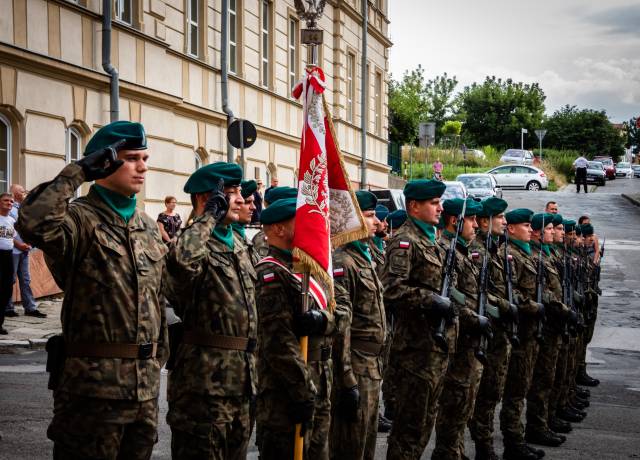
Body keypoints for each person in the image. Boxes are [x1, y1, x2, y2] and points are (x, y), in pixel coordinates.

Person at [17, 120, 169, 459]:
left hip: (143, 394)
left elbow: (156, 298)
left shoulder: (146, 226)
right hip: (92, 395)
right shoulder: (78, 220)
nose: (142, 166)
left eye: (145, 157)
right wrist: (77, 173)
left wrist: (157, 359)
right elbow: (33, 222)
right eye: (132, 158)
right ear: (105, 161)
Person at [164, 162, 257, 459]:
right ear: (208, 200)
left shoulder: (239, 244)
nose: (241, 200)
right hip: (204, 389)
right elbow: (181, 264)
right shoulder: (191, 244)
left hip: (242, 385)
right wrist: (206, 218)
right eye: (232, 193)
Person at [254, 197, 336, 459]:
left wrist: (322, 320)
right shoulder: (271, 272)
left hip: (319, 382)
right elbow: (279, 344)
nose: (310, 225)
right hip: (287, 394)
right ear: (279, 229)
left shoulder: (308, 267)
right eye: (300, 220)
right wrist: (303, 392)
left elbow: (339, 313)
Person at [381, 179, 456, 460]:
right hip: (414, 353)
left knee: (424, 425)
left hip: (433, 350)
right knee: (408, 430)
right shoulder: (405, 241)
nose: (440, 208)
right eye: (433, 203)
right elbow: (390, 289)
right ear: (414, 206)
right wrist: (431, 300)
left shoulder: (430, 240)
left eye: (439, 203)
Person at [330, 191, 386, 460]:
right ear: (352, 220)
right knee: (351, 444)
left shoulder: (366, 255)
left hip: (372, 364)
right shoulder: (343, 261)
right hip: (356, 363)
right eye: (369, 215)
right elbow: (342, 326)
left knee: (367, 444)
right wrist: (346, 377)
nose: (376, 222)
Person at [432, 197, 489, 460]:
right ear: (456, 221)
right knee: (453, 407)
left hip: (468, 339)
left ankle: (456, 452)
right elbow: (453, 295)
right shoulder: (446, 249)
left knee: (464, 406)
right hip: (458, 339)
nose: (476, 225)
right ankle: (448, 453)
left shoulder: (462, 250)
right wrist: (473, 317)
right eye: (472, 219)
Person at [468, 197, 516, 460]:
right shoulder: (478, 251)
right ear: (485, 221)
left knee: (493, 392)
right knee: (484, 395)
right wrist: (504, 306)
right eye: (500, 217)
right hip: (486, 334)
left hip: (499, 335)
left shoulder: (495, 249)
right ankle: (484, 449)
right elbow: (478, 293)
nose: (505, 222)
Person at [499, 208, 546, 460]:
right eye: (526, 226)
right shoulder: (510, 255)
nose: (532, 230)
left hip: (531, 333)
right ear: (512, 229)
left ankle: (521, 437)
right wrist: (532, 306)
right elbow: (511, 294)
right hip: (519, 332)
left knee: (524, 386)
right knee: (515, 392)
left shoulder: (525, 254)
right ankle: (513, 443)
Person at [525, 213, 569, 448]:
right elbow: (538, 293)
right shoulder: (532, 256)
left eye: (556, 229)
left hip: (552, 326)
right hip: (540, 327)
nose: (555, 232)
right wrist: (561, 308)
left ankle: (544, 421)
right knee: (539, 381)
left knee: (549, 377)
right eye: (551, 229)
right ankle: (535, 427)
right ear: (536, 232)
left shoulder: (545, 255)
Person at [5, 184, 46, 318]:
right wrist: (19, 244)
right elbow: (9, 232)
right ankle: (7, 308)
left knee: (26, 279)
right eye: (23, 191)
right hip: (13, 250)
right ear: (15, 193)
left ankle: (30, 308)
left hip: (25, 249)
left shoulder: (25, 208)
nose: (25, 193)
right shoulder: (10, 210)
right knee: (9, 280)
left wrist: (29, 242)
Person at [233, 180, 259, 265]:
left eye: (253, 202)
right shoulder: (228, 239)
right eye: (247, 202)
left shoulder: (242, 235)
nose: (253, 207)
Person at [0, 193, 16, 335]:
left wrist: (22, 245)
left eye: (11, 201)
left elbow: (12, 237)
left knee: (6, 289)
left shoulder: (11, 220)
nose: (9, 203)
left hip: (8, 256)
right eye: (6, 200)